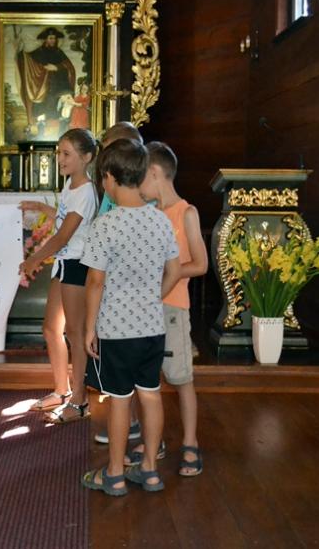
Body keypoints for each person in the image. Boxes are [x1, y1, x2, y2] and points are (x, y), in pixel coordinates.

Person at [81, 139, 180, 495]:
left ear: (109, 177)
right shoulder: (160, 220)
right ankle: (150, 469)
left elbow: (95, 281)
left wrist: (89, 328)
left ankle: (114, 474)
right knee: (151, 394)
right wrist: (152, 297)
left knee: (120, 400)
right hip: (151, 328)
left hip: (116, 330)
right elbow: (174, 270)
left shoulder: (105, 225)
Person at [130, 141, 208, 477]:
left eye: (140, 178)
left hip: (173, 309)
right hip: (144, 310)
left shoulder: (186, 213)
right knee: (145, 379)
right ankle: (154, 441)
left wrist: (168, 273)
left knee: (180, 378)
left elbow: (200, 264)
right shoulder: (148, 214)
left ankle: (190, 442)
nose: (137, 186)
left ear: (154, 173)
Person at [19, 128, 98, 423]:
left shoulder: (87, 191)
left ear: (86, 157)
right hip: (64, 264)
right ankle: (61, 390)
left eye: (66, 154)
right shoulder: (70, 185)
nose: (60, 159)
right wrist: (43, 208)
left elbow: (64, 235)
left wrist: (34, 259)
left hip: (77, 264)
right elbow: (65, 218)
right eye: (58, 153)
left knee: (75, 334)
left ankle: (80, 400)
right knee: (51, 329)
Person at [91, 122, 145, 445]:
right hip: (122, 297)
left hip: (124, 297)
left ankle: (126, 442)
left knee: (128, 371)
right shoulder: (116, 200)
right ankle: (135, 427)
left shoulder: (139, 202)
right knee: (129, 371)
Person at [16, 27, 76, 128]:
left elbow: (69, 67)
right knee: (41, 113)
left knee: (54, 112)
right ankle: (40, 129)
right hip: (42, 88)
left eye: (54, 38)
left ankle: (54, 129)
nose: (53, 40)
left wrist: (56, 67)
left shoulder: (59, 52)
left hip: (56, 88)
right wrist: (20, 52)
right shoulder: (39, 52)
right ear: (46, 39)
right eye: (50, 38)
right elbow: (28, 60)